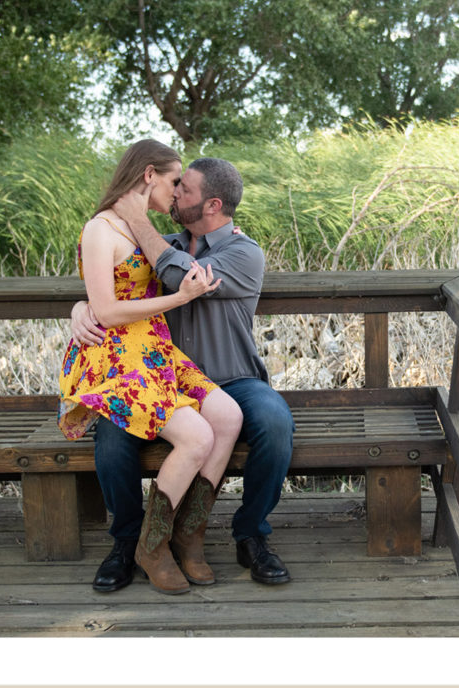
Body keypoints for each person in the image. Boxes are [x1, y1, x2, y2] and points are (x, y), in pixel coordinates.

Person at [70, 155, 294, 593]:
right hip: (158, 382)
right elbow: (117, 288)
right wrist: (81, 309)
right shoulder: (161, 243)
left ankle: (249, 536)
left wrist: (137, 219)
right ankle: (130, 542)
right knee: (113, 440)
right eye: (175, 185)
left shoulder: (243, 252)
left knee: (274, 422)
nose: (175, 195)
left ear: (212, 205)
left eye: (184, 190)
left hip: (232, 378)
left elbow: (178, 276)